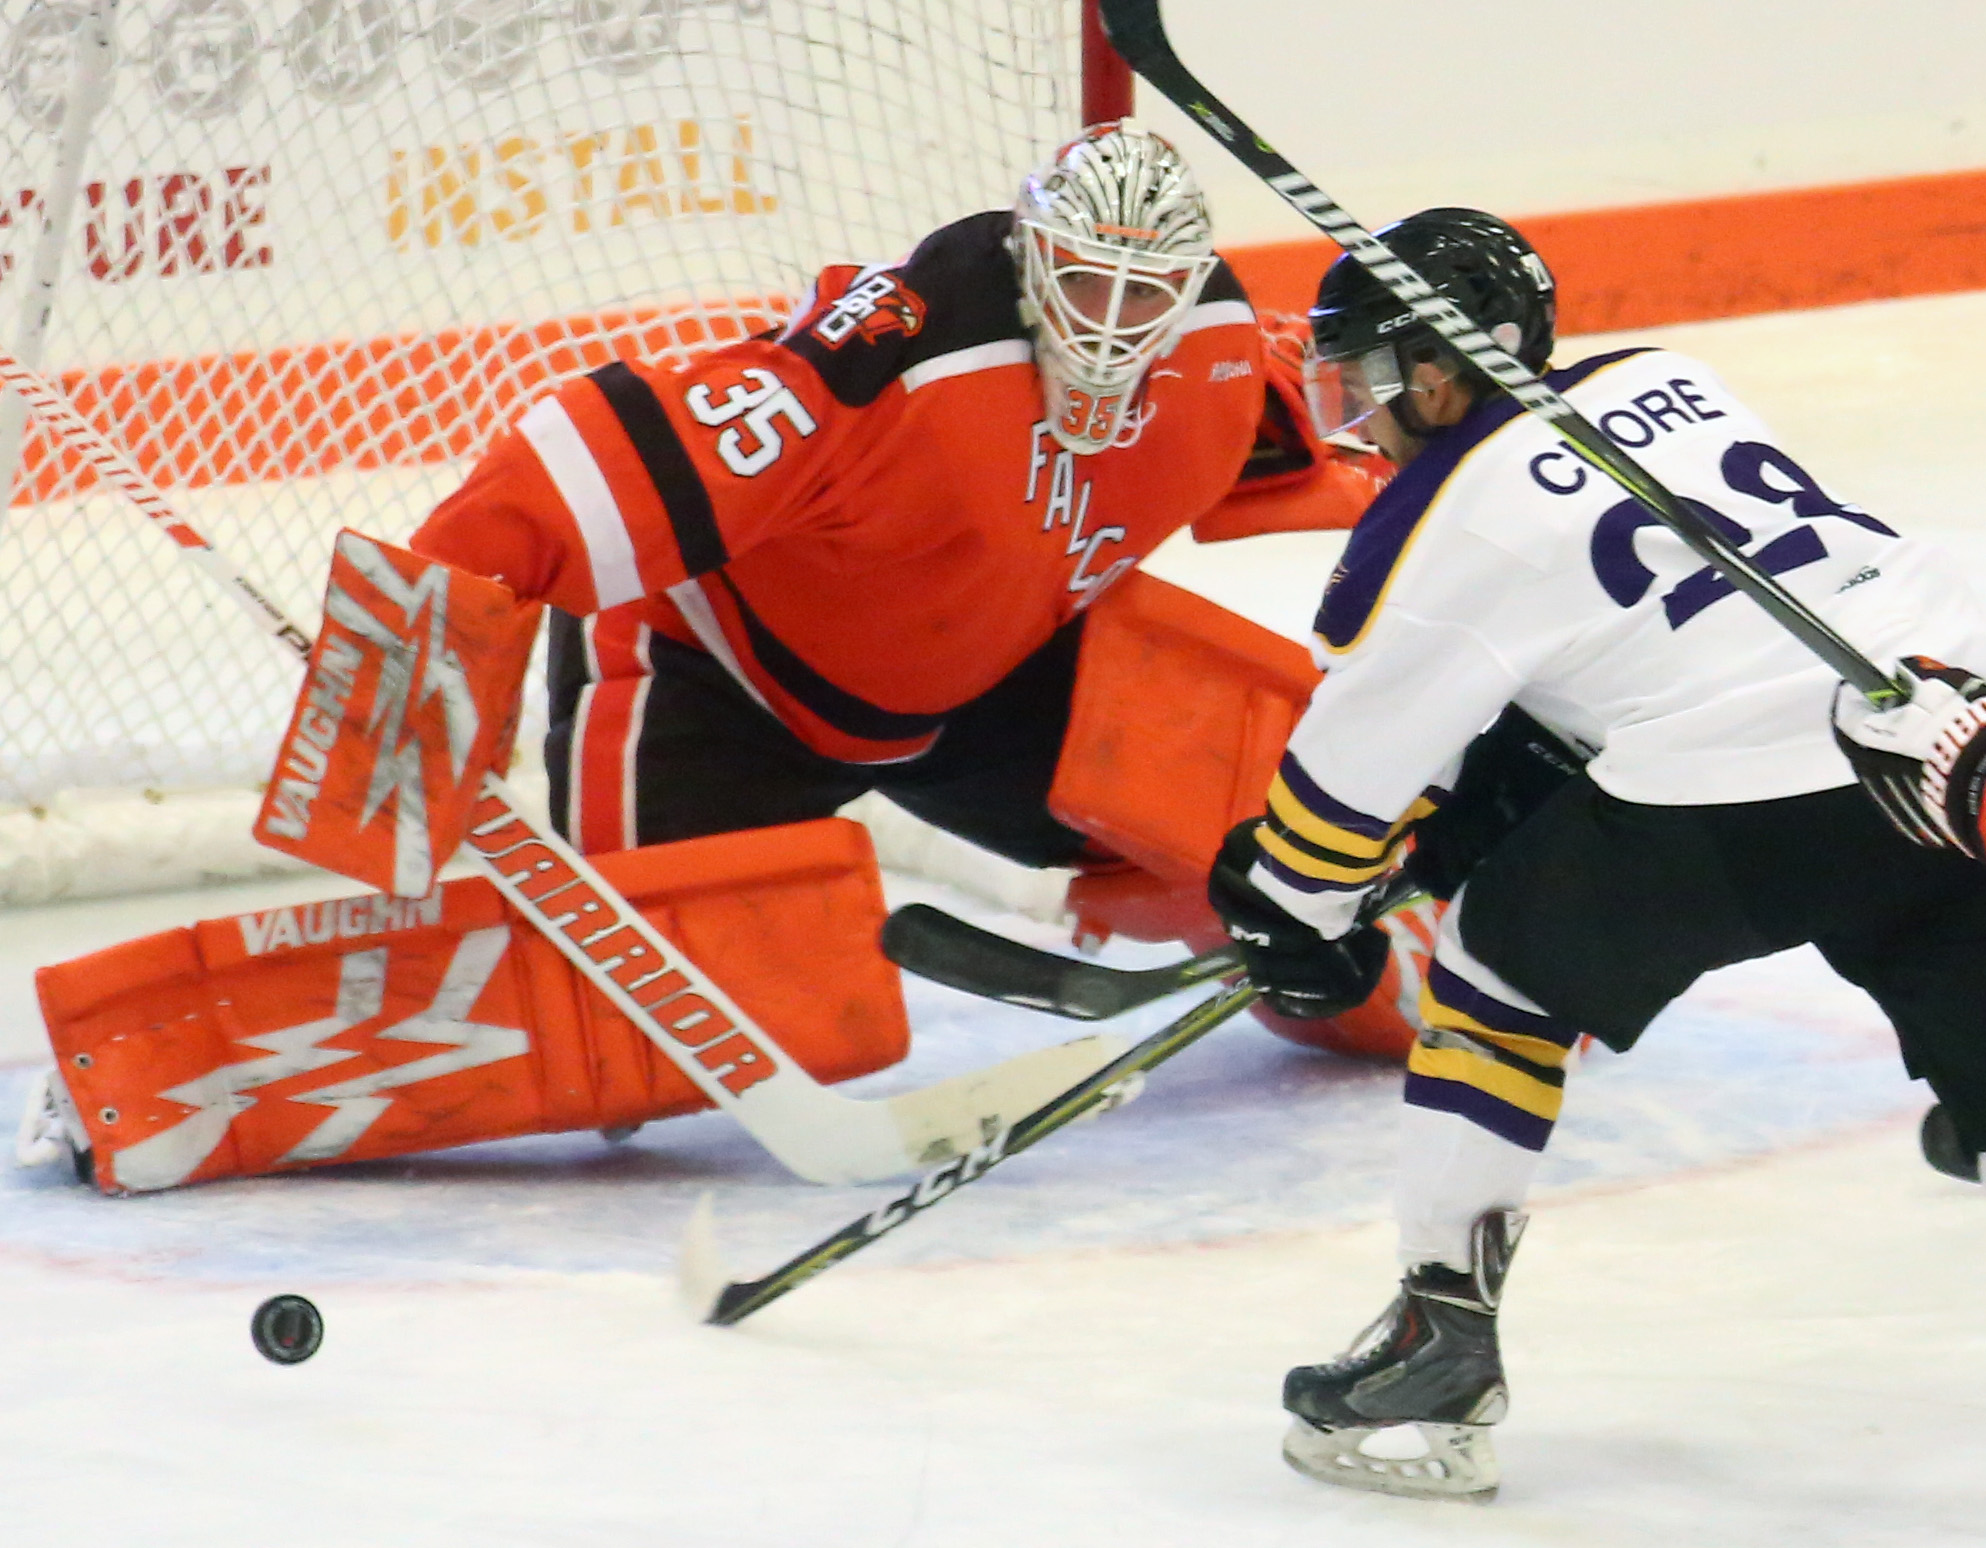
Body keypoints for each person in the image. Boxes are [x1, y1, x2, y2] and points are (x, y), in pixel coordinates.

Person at [1206, 206, 1986, 1501]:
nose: (1359, 419)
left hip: (1747, 787)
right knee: (1912, 912)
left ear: (1439, 376)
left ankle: (1436, 1348)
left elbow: (1343, 790)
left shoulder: (1429, 522)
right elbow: (1639, 614)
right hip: (1936, 718)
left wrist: (1290, 905)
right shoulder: (1668, 380)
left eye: (1368, 383)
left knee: (1495, 970)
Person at [408, 120, 1404, 1049]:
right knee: (659, 1031)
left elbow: (1328, 434)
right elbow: (583, 468)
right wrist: (410, 678)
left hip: (982, 680)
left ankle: (1339, 966)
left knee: (1270, 851)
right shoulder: (892, 360)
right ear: (1028, 257)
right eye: (1081, 279)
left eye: (1141, 294)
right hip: (722, 678)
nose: (1109, 324)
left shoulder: (1218, 359)